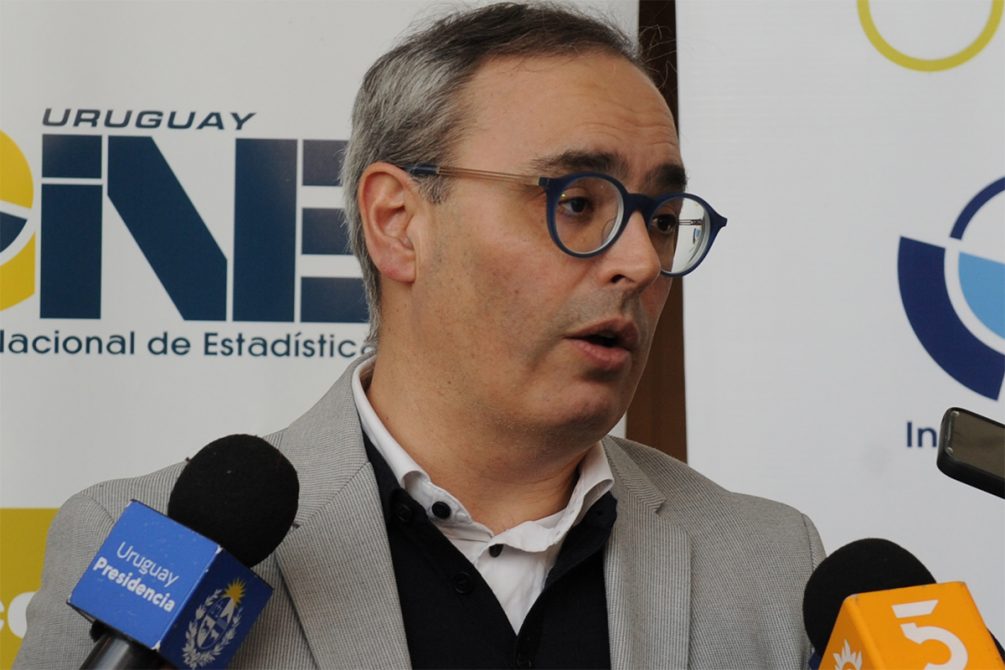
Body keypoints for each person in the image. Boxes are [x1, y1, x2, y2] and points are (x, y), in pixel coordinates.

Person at [16, 3, 824, 668]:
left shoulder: (768, 566)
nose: (640, 262)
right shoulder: (154, 548)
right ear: (398, 222)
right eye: (578, 203)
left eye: (661, 218)